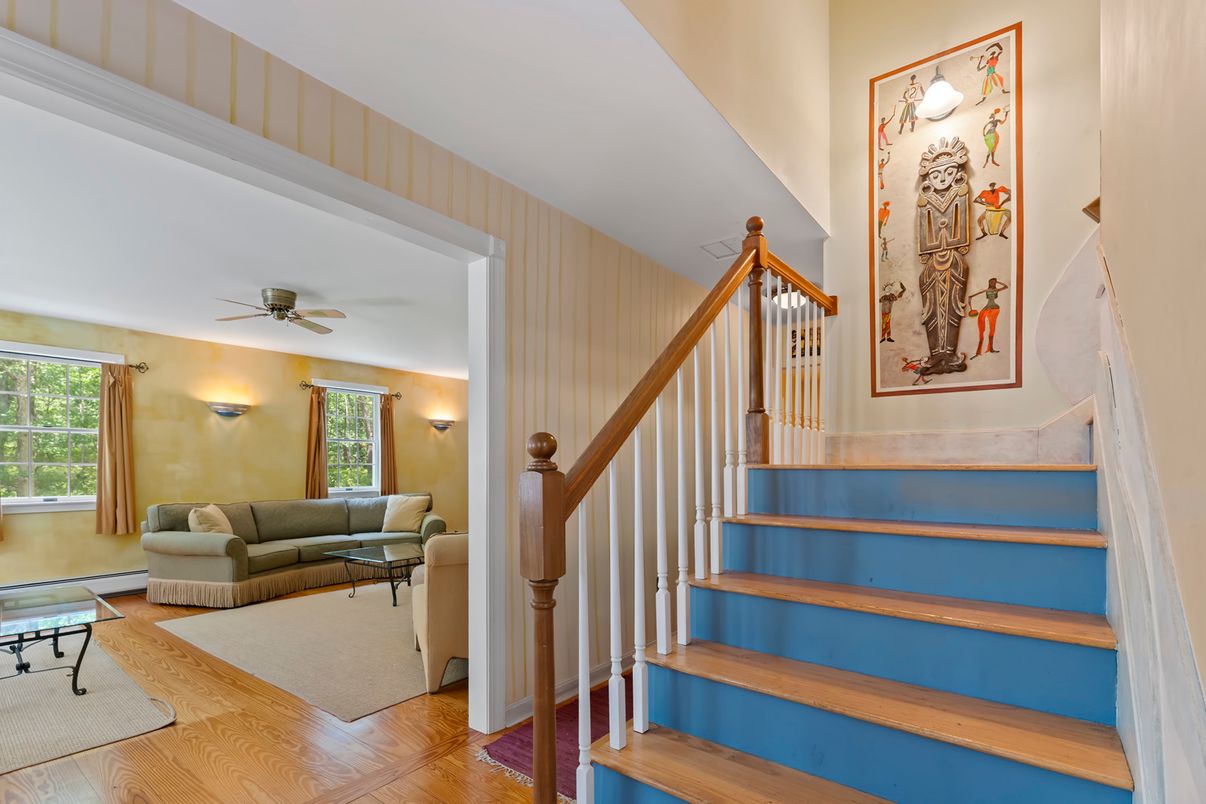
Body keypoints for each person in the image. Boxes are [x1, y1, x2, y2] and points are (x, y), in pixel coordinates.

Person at [968, 278, 1009, 357]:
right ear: (989, 283)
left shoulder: (996, 290)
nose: (993, 283)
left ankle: (991, 348)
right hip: (986, 308)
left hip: (995, 309)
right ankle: (978, 352)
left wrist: (998, 282)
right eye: (992, 282)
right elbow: (972, 296)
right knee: (981, 329)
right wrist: (970, 299)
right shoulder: (987, 290)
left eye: (994, 282)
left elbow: (1006, 286)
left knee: (992, 329)